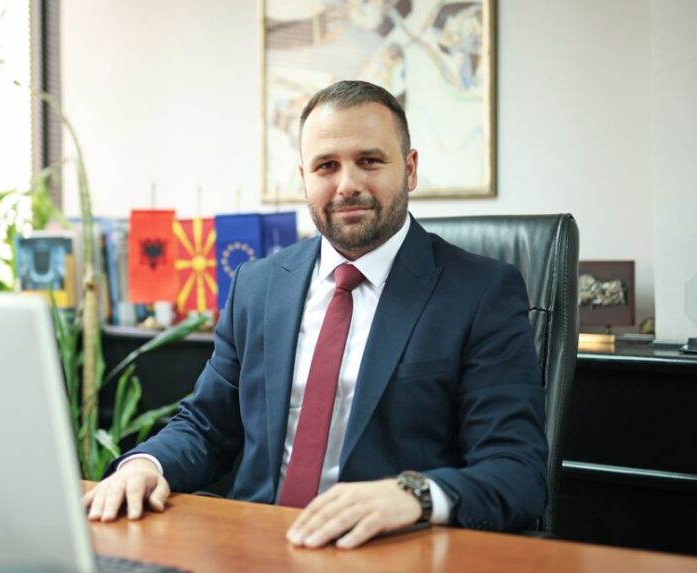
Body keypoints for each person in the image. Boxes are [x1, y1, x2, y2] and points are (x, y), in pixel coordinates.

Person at [84, 80, 547, 549]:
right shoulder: (257, 286)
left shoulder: (480, 293)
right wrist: (145, 466)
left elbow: (517, 471)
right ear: (304, 176)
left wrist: (414, 495)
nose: (347, 185)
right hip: (256, 548)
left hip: (387, 551)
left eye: (370, 161)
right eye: (327, 166)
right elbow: (206, 427)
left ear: (409, 169)